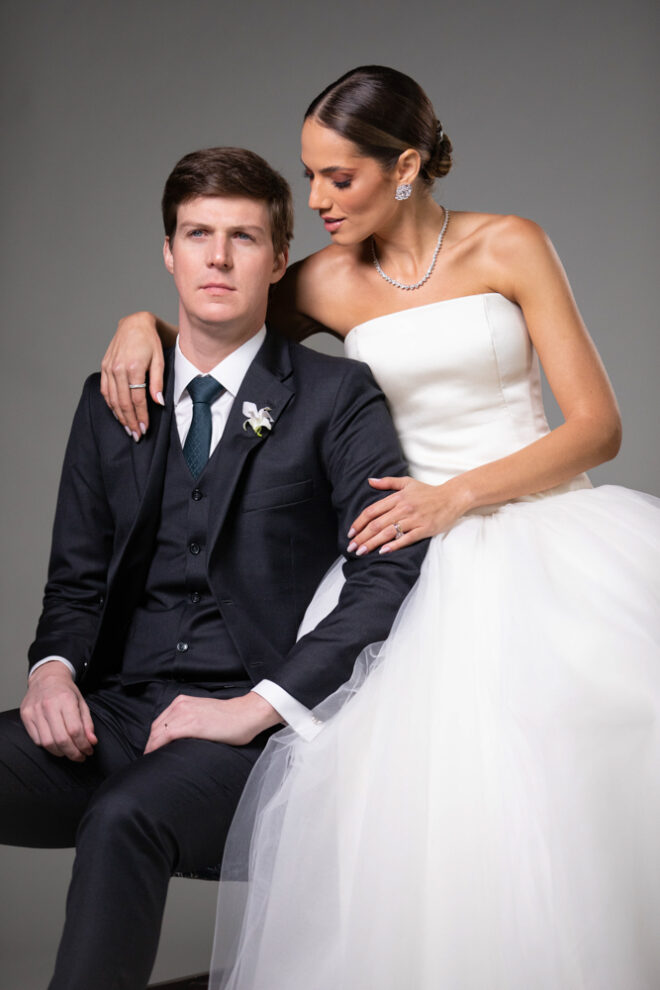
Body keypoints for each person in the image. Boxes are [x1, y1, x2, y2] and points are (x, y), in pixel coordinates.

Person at [101, 67, 660, 989]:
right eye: (310, 176)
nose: (317, 199)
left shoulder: (509, 243)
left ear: (405, 167)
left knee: (581, 775)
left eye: (339, 177)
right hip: (409, 557)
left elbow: (597, 427)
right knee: (414, 808)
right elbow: (216, 332)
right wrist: (138, 323)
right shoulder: (322, 280)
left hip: (546, 533)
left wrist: (457, 497)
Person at [0, 145, 428, 990]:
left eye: (244, 237)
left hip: (250, 734)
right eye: (198, 234)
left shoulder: (337, 397)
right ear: (169, 252)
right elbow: (76, 579)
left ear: (280, 257)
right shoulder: (111, 396)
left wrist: (255, 708)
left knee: (123, 820)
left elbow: (385, 576)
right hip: (114, 714)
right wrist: (51, 672)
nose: (219, 258)